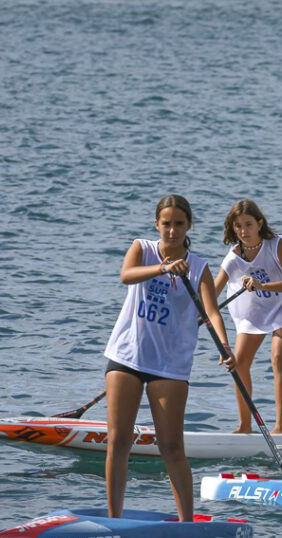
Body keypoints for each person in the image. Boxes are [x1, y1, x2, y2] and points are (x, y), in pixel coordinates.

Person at [103, 195, 235, 521]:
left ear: (188, 226)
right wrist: (163, 267)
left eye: (179, 224)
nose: (172, 231)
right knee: (118, 441)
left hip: (170, 365)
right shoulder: (142, 249)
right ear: (157, 224)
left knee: (171, 447)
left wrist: (225, 345)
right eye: (166, 224)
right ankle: (114, 519)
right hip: (127, 356)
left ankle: (187, 523)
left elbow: (211, 312)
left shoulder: (199, 267)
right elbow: (126, 275)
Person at [214, 199, 282, 435]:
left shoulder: (276, 244)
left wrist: (262, 285)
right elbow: (211, 294)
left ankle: (280, 426)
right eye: (238, 226)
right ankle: (245, 426)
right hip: (254, 309)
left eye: (248, 224)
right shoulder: (233, 257)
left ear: (260, 223)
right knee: (239, 364)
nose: (244, 231)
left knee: (278, 359)